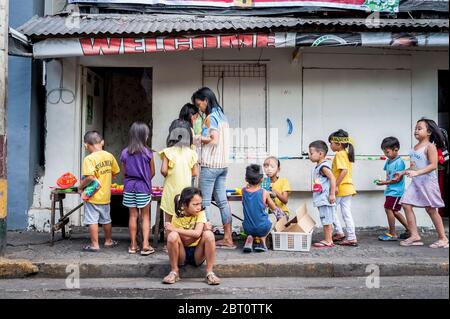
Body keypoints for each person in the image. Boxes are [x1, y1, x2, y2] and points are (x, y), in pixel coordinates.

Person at [192, 87, 235, 249]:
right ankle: (228, 238)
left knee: (205, 203)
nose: (199, 108)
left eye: (199, 104)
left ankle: (206, 239)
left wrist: (196, 138)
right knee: (223, 202)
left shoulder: (211, 118)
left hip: (210, 165)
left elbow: (214, 140)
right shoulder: (222, 116)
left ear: (206, 101)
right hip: (223, 165)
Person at [399, 118, 448, 248]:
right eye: (415, 128)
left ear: (429, 132)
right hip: (416, 183)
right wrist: (403, 172)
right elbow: (413, 167)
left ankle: (443, 238)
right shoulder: (414, 148)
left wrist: (417, 173)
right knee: (406, 204)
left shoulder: (430, 147)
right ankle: (415, 236)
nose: (416, 130)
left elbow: (433, 165)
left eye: (419, 128)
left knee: (431, 209)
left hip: (428, 183)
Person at [162, 187, 220, 285]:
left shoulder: (201, 213)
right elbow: (185, 241)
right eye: (195, 204)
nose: (199, 207)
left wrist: (175, 229)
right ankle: (174, 271)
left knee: (209, 234)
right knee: (172, 236)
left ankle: (210, 272)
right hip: (181, 253)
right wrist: (199, 233)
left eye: (200, 204)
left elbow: (197, 233)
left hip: (198, 253)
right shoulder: (177, 216)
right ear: (185, 205)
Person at [78, 131, 120, 252]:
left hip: (93, 196)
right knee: (106, 219)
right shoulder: (109, 156)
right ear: (102, 142)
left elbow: (90, 177)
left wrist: (81, 187)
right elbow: (116, 172)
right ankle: (108, 241)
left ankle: (95, 245)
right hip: (106, 195)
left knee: (92, 220)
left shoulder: (89, 159)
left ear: (86, 145)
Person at [120, 122, 155, 255]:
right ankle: (145, 244)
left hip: (129, 187)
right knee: (145, 216)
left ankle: (133, 245)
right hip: (143, 187)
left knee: (132, 216)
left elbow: (124, 172)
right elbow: (152, 172)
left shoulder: (124, 152)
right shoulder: (148, 153)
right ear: (144, 136)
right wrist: (144, 179)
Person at [160, 119, 198, 224]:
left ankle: (170, 239)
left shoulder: (167, 152)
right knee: (183, 221)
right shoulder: (192, 153)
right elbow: (195, 173)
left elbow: (163, 171)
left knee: (168, 221)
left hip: (170, 192)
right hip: (185, 194)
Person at [375, 137, 409, 241]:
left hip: (396, 192)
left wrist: (384, 183)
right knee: (395, 211)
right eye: (384, 152)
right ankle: (410, 229)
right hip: (391, 190)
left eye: (387, 152)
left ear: (396, 149)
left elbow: (397, 180)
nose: (386, 154)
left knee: (389, 209)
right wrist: (384, 181)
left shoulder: (399, 163)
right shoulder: (389, 161)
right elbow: (389, 174)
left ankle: (392, 233)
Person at [328, 129, 358, 246]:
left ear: (338, 144)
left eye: (331, 143)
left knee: (332, 210)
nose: (330, 145)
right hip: (348, 188)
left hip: (341, 188)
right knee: (346, 213)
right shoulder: (345, 153)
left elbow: (344, 171)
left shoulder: (339, 154)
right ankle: (349, 235)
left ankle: (342, 233)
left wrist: (335, 185)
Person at [242, 164, 278, 253]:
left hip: (247, 228)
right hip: (262, 228)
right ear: (262, 179)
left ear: (245, 179)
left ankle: (250, 237)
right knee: (275, 215)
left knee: (250, 220)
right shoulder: (264, 192)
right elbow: (274, 208)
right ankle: (262, 239)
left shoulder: (243, 191)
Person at [309, 141, 336, 248]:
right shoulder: (320, 166)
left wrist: (332, 194)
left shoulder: (323, 167)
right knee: (325, 219)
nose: (309, 156)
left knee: (326, 219)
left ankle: (328, 240)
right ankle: (328, 239)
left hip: (325, 199)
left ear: (320, 154)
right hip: (322, 198)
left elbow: (332, 178)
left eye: (311, 153)